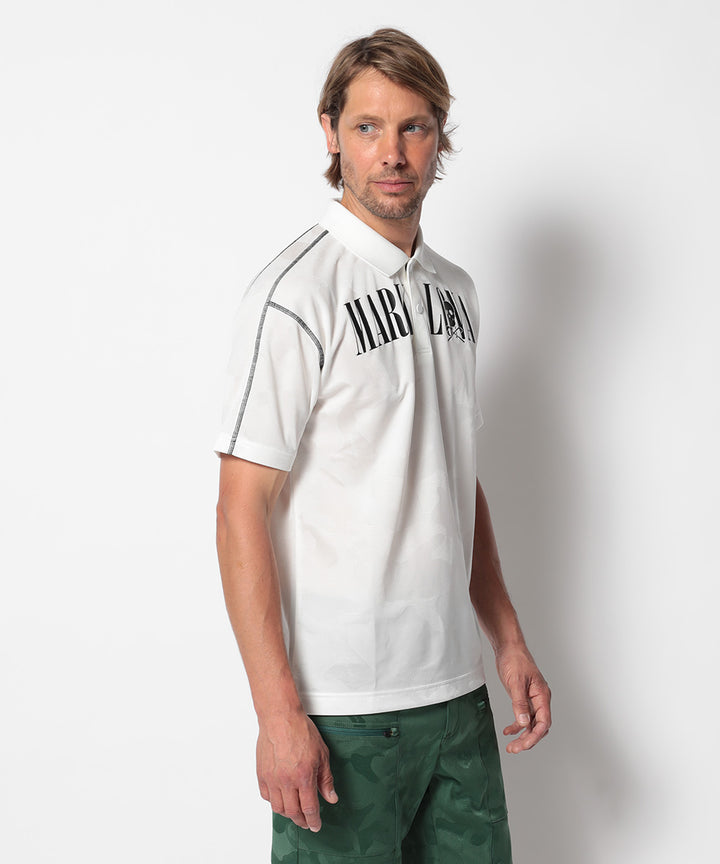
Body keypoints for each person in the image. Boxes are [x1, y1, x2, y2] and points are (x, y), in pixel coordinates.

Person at [215, 27, 551, 864]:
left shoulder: (457, 291)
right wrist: (277, 715)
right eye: (368, 127)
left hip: (458, 697)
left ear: (439, 138)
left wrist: (507, 639)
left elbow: (453, 475)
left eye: (414, 127)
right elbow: (239, 508)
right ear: (331, 132)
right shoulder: (294, 295)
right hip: (342, 711)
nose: (392, 153)